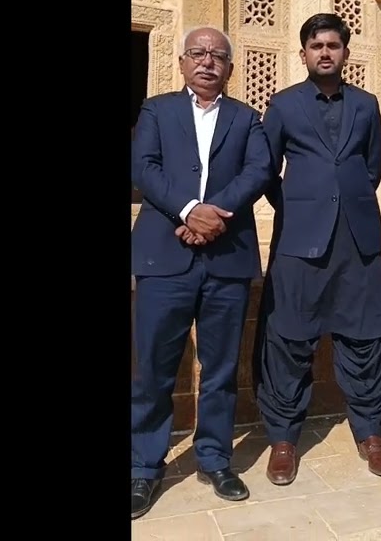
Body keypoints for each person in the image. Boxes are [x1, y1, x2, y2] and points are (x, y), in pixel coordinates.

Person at [130, 26, 272, 518]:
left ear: (231, 68)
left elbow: (258, 171)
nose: (208, 61)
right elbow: (143, 167)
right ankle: (145, 466)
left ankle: (215, 458)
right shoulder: (157, 109)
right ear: (183, 62)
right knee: (153, 368)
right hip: (163, 258)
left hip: (226, 258)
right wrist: (189, 209)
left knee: (221, 369)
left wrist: (211, 215)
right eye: (199, 53)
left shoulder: (247, 118)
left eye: (218, 55)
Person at [254, 12, 381, 485]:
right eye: (316, 45)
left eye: (333, 45)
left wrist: (343, 202)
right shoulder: (283, 105)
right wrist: (301, 205)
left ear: (345, 53)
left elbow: (371, 168)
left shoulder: (366, 104)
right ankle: (283, 439)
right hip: (300, 242)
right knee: (289, 338)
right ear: (303, 54)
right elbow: (266, 171)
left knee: (364, 336)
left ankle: (371, 434)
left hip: (356, 241)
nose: (324, 52)